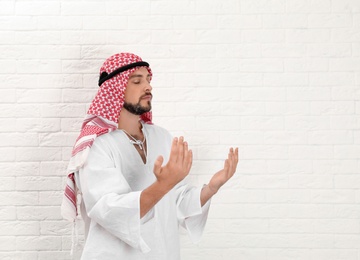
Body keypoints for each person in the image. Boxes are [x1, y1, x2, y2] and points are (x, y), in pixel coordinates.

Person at [61, 52, 239, 260]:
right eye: (137, 81)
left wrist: (211, 188)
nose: (148, 87)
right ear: (115, 89)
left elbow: (177, 201)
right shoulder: (96, 146)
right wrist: (163, 185)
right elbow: (109, 211)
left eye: (148, 79)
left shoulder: (161, 136)